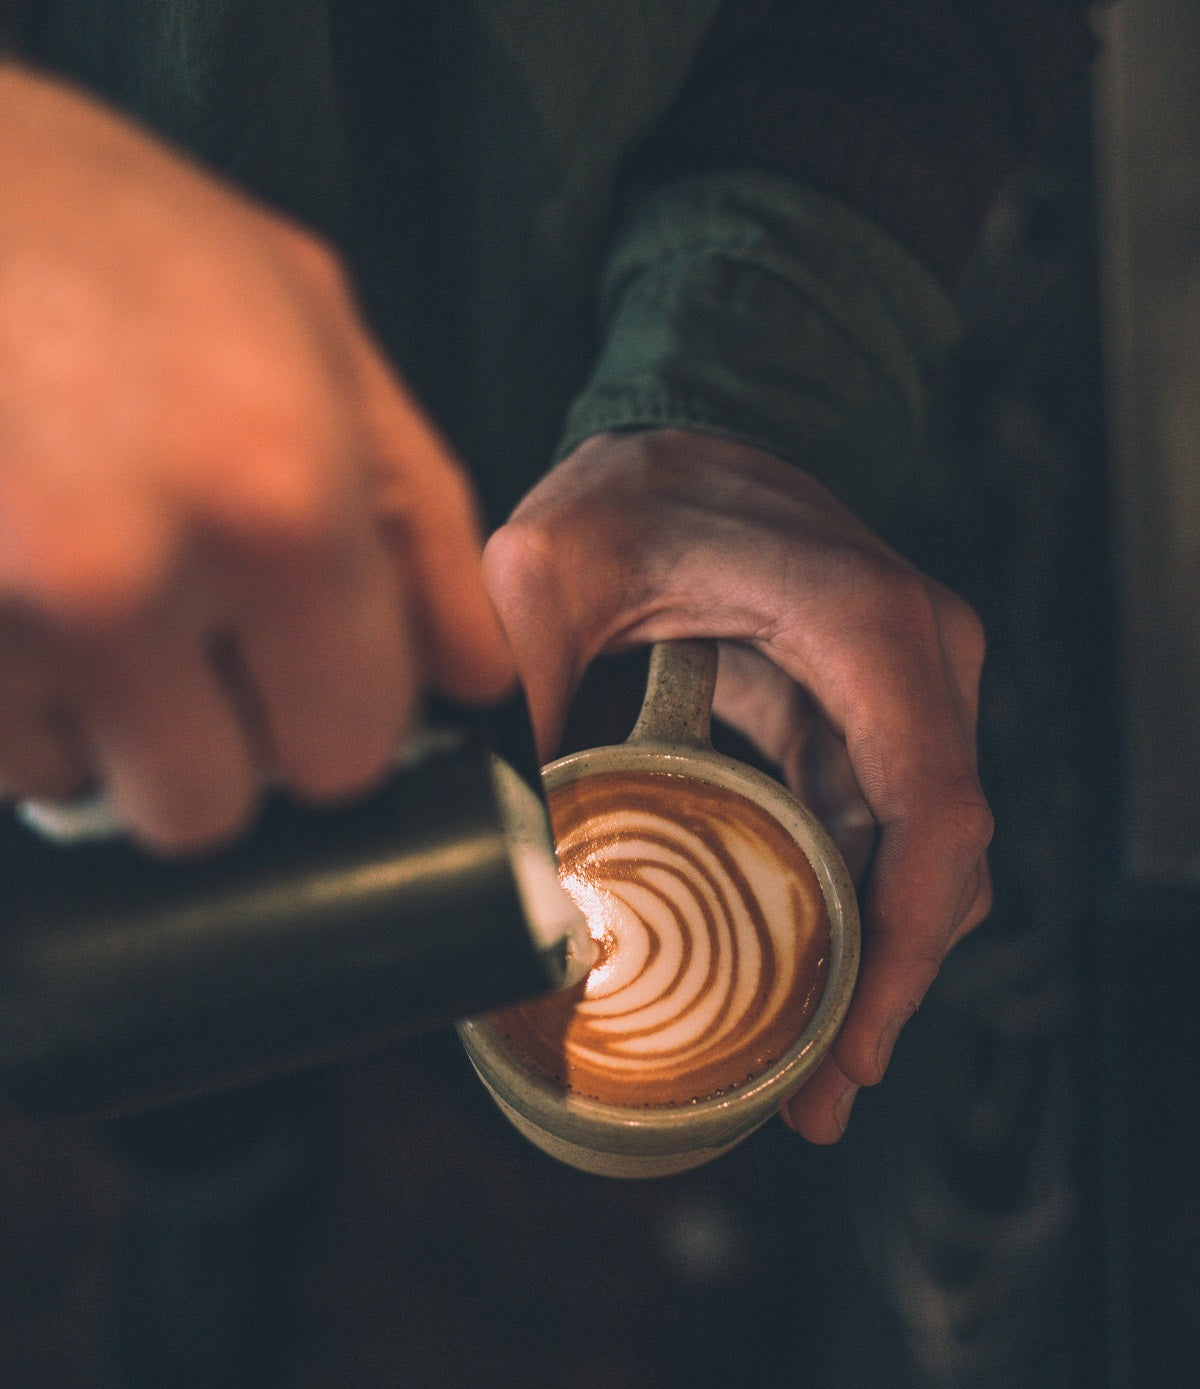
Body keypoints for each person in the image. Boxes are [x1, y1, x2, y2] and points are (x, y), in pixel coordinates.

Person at [0, 1, 1093, 1161]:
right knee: (184, 1064)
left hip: (602, 486)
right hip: (84, 630)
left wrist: (741, 382)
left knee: (418, 965)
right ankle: (217, 1213)